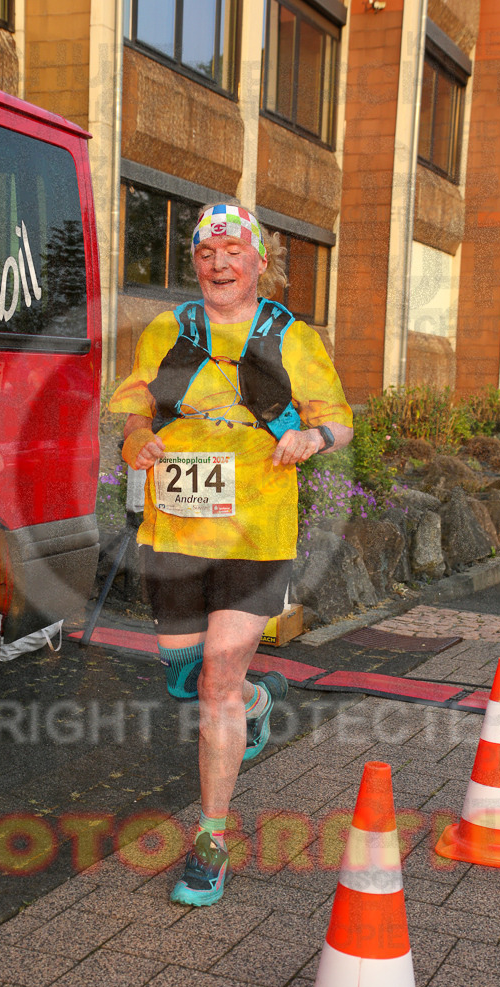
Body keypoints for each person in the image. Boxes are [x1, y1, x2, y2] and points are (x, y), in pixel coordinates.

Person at [110, 202, 353, 906]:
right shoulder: (167, 329)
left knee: (214, 682)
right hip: (175, 532)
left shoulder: (289, 336)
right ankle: (257, 699)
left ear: (258, 262)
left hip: (256, 532)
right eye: (205, 252)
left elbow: (336, 420)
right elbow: (135, 408)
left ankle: (210, 843)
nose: (218, 263)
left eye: (232, 251)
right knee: (186, 677)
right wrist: (135, 441)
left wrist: (311, 438)